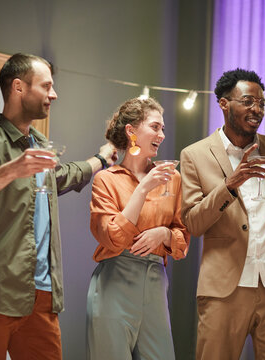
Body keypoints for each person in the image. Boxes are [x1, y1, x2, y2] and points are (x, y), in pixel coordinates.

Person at [0, 53, 117, 360]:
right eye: (46, 86)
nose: (54, 94)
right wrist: (11, 169)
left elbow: (61, 177)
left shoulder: (39, 142)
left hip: (43, 295)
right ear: (19, 87)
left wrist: (101, 159)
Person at [181, 68, 265, 359]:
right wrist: (229, 185)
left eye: (261, 103)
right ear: (224, 103)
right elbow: (193, 222)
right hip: (225, 289)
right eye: (248, 101)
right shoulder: (195, 155)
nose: (257, 110)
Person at [87, 97, 190, 360]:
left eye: (163, 129)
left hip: (156, 281)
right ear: (131, 131)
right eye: (155, 127)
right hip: (114, 281)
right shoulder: (105, 180)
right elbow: (112, 237)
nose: (162, 135)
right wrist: (144, 188)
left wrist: (165, 234)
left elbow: (182, 240)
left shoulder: (172, 178)